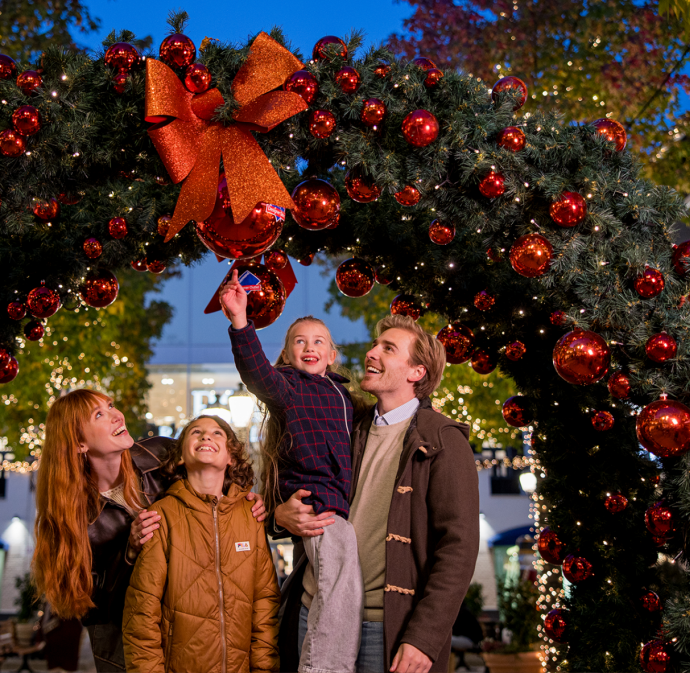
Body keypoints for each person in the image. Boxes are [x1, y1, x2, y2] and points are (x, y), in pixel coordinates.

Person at [276, 314, 480, 673]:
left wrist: (425, 637)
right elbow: (284, 482)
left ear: (416, 372)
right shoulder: (346, 422)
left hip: (384, 626)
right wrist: (280, 515)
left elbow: (458, 548)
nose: (371, 353)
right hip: (314, 610)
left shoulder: (443, 440)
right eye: (374, 345)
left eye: (388, 348)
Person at [32, 389, 266, 672]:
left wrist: (243, 499)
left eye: (111, 405)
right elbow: (85, 604)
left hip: (180, 625)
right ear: (80, 443)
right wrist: (129, 552)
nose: (117, 415)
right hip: (118, 637)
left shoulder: (159, 453)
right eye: (99, 414)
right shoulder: (69, 517)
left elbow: (216, 466)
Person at [220, 270, 362, 673]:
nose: (309, 347)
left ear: (332, 355)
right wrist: (241, 322)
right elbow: (256, 372)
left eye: (319, 341)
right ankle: (322, 667)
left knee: (336, 587)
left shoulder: (345, 396)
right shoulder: (287, 386)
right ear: (286, 355)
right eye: (299, 341)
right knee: (338, 588)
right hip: (315, 502)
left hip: (339, 503)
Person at [122, 415, 279, 673]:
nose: (206, 435)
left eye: (217, 433)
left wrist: (264, 669)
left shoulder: (250, 515)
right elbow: (141, 613)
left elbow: (265, 603)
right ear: (180, 457)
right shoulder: (161, 515)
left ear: (231, 458)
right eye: (196, 432)